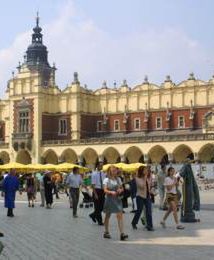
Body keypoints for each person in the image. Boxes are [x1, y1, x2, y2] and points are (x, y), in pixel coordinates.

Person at [103, 166, 128, 241]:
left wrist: (120, 190)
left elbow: (122, 188)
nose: (114, 172)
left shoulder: (118, 179)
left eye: (115, 170)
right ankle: (106, 232)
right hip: (110, 199)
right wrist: (111, 192)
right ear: (109, 171)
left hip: (117, 199)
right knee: (108, 215)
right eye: (112, 170)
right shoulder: (106, 180)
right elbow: (104, 190)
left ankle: (122, 234)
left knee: (120, 215)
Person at [131, 166, 154, 231]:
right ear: (141, 171)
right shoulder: (137, 178)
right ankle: (134, 223)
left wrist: (152, 192)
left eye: (147, 170)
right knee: (139, 211)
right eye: (145, 170)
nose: (147, 171)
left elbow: (149, 187)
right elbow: (142, 186)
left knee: (149, 211)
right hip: (140, 196)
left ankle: (149, 226)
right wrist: (145, 178)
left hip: (147, 196)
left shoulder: (148, 178)